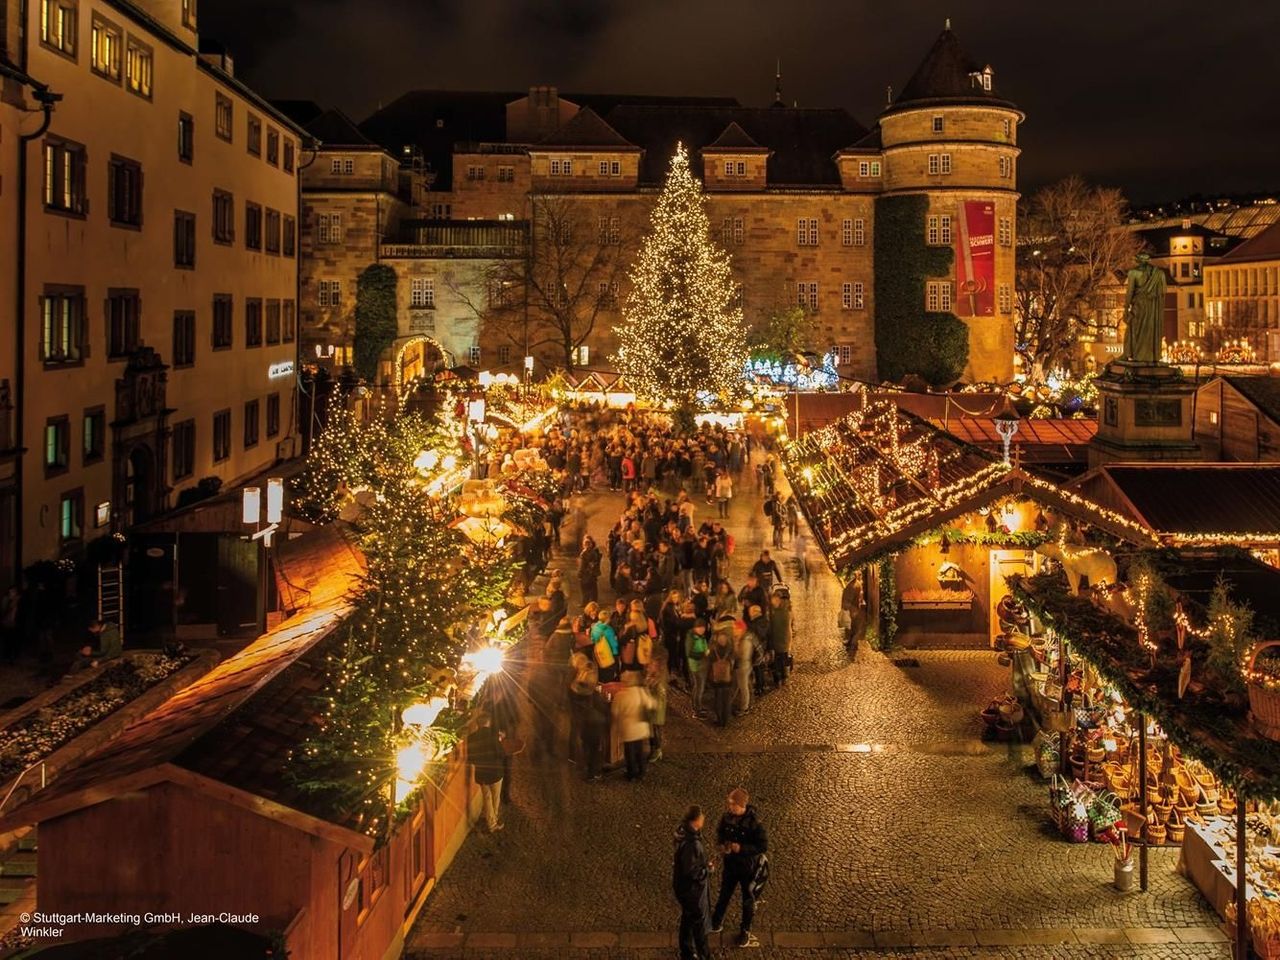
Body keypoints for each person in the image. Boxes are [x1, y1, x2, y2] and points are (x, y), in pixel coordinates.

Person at [710, 788, 767, 949]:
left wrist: (741, 848)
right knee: (724, 894)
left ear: (741, 805)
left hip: (748, 868)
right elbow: (720, 833)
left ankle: (745, 930)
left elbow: (762, 846)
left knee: (748, 901)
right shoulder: (727, 817)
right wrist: (722, 845)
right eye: (729, 804)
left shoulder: (754, 823)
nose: (730, 807)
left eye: (733, 804)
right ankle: (717, 921)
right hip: (731, 864)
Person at [673, 805, 715, 960]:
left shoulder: (683, 833)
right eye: (702, 816)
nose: (704, 818)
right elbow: (692, 872)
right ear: (695, 821)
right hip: (691, 891)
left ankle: (686, 951)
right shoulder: (692, 844)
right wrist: (707, 870)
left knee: (687, 918)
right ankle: (703, 955)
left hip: (682, 887)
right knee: (698, 924)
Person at [612, 671, 656, 781]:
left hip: (628, 730)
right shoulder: (641, 692)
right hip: (641, 729)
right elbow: (652, 704)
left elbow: (615, 712)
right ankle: (642, 772)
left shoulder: (620, 696)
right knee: (640, 751)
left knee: (630, 753)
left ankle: (632, 774)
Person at [466, 712, 505, 833]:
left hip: (481, 773)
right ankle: (494, 818)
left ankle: (491, 823)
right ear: (488, 723)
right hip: (496, 772)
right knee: (495, 796)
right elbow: (501, 754)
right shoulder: (493, 736)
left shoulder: (471, 738)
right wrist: (500, 740)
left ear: (478, 724)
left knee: (487, 798)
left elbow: (470, 759)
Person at [707, 627, 736, 727]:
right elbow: (734, 663)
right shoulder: (731, 649)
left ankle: (720, 720)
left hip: (717, 679)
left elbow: (709, 663)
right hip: (727, 679)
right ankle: (726, 720)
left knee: (718, 699)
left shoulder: (713, 649)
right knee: (726, 700)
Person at [685, 618, 711, 716]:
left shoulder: (701, 636)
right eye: (699, 628)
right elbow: (689, 653)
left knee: (700, 687)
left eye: (703, 628)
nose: (702, 630)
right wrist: (703, 654)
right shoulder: (691, 637)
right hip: (695, 666)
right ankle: (696, 709)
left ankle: (698, 706)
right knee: (698, 687)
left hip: (702, 665)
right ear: (695, 628)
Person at [768, 592, 792, 688]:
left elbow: (785, 625)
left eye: (775, 599)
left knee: (781, 659)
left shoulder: (782, 611)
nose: (773, 602)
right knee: (779, 659)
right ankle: (780, 678)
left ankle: (782, 678)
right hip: (778, 638)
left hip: (781, 638)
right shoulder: (775, 610)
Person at [578, 535, 602, 605]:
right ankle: (592, 601)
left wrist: (580, 573)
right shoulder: (594, 552)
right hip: (591, 573)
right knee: (592, 588)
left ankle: (586, 602)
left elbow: (582, 565)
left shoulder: (585, 553)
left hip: (587, 574)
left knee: (586, 588)